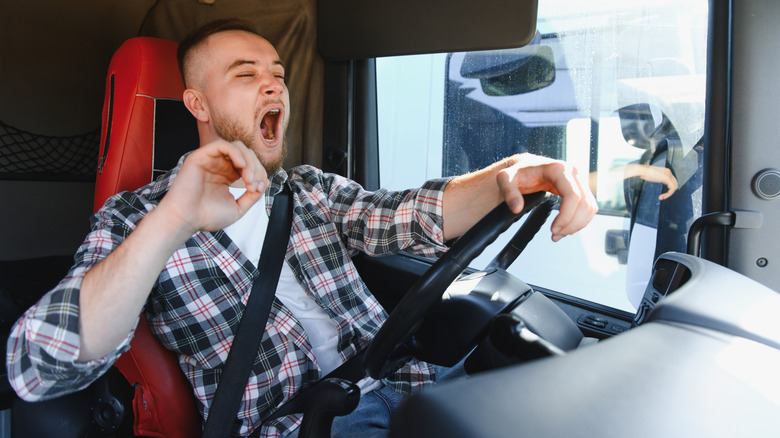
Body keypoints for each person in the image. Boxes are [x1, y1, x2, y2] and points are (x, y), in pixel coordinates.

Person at [6, 19, 597, 437]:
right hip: (313, 424)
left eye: (278, 73)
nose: (275, 85)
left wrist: (514, 174)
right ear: (197, 103)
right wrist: (174, 219)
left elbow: (409, 215)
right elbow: (38, 368)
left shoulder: (309, 188)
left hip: (417, 383)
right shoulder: (135, 218)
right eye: (246, 74)